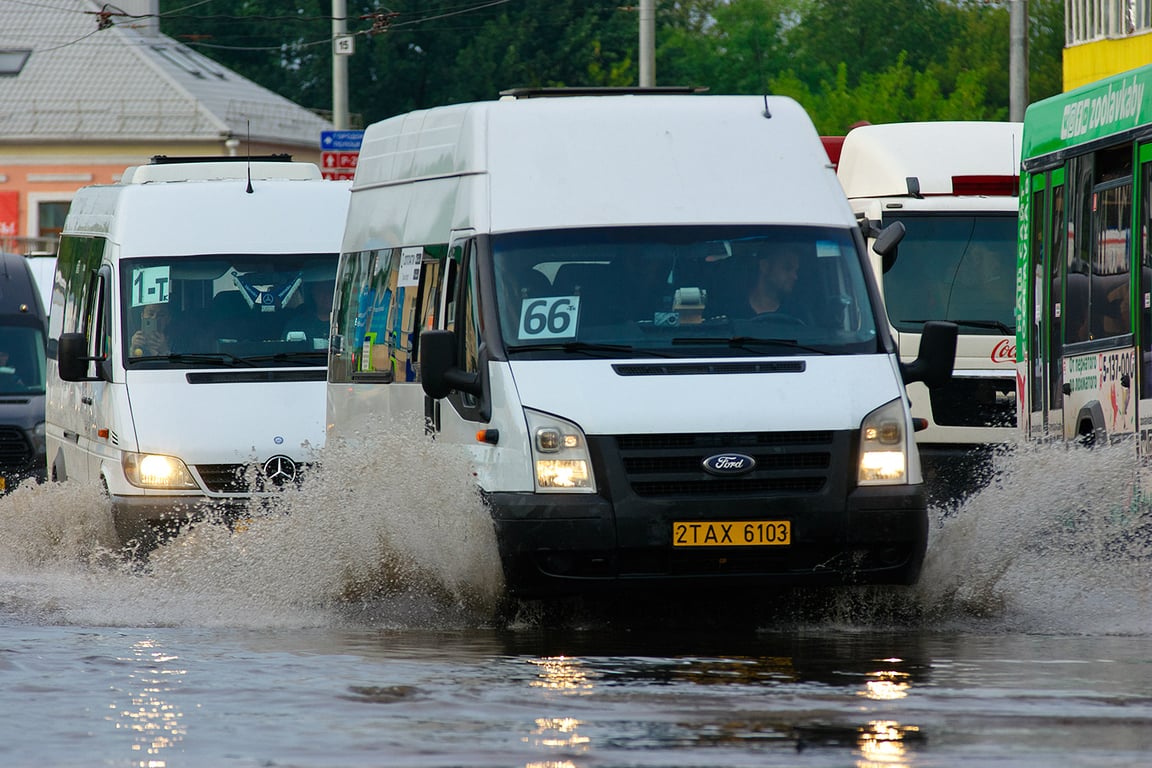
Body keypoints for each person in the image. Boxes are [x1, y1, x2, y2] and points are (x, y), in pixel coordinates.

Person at [745, 244, 801, 316]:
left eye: (796, 271)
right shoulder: (734, 307)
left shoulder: (796, 313)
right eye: (787, 268)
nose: (795, 276)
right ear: (764, 266)